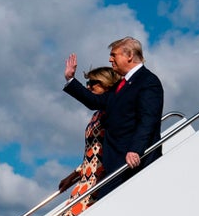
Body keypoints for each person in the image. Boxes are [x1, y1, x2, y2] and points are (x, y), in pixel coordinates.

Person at [62, 37, 164, 199]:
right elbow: (95, 101)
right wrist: (70, 79)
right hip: (115, 161)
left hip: (133, 162)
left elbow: (148, 119)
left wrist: (135, 150)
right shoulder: (121, 85)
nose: (110, 59)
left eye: (113, 55)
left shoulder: (148, 82)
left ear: (129, 55)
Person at [59, 67, 121, 216]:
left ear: (106, 84)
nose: (88, 87)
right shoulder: (97, 115)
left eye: (92, 83)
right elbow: (92, 150)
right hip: (87, 177)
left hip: (99, 177)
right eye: (87, 82)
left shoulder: (111, 112)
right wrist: (75, 173)